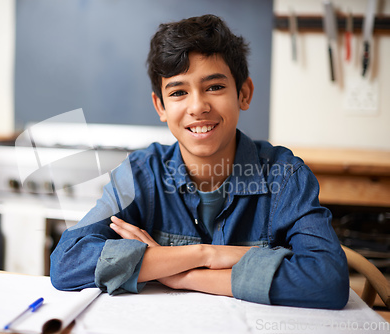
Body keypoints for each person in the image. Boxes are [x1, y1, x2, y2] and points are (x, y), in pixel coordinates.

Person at [50, 14, 349, 309]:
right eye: (179, 92)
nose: (198, 107)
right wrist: (204, 254)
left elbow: (327, 280)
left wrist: (184, 276)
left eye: (215, 87)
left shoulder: (285, 176)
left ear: (243, 93)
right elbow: (67, 262)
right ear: (161, 106)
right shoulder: (140, 174)